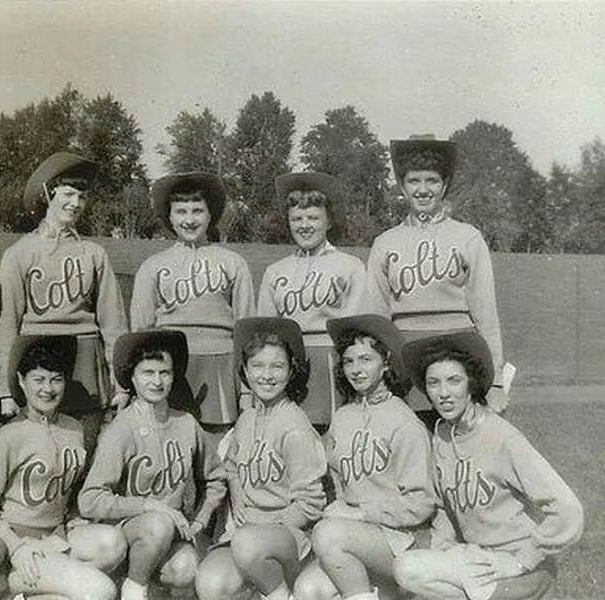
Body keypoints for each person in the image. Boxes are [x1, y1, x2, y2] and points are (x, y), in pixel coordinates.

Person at [393, 331, 584, 600]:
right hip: (480, 559)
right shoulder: (443, 436)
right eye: (433, 383)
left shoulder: (503, 438)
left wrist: (521, 561)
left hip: (523, 566)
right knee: (409, 574)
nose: (444, 393)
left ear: (472, 384)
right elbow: (445, 508)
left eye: (454, 381)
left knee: (412, 574)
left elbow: (568, 510)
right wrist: (444, 549)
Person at [365, 134, 509, 425]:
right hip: (406, 358)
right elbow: (376, 320)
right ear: (403, 187)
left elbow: (486, 314)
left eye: (431, 181)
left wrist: (495, 382)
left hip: (459, 353)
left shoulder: (467, 237)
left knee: (460, 444)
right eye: (414, 181)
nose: (423, 190)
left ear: (444, 186)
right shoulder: (385, 243)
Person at [78, 329, 227, 600]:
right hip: (125, 533)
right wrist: (150, 505)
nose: (157, 382)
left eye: (164, 373)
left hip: (169, 534)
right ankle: (133, 589)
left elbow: (216, 478)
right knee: (158, 524)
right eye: (148, 373)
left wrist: (201, 520)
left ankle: (150, 587)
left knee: (186, 568)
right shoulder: (121, 429)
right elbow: (90, 500)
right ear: (132, 378)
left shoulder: (186, 423)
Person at [0, 337, 122, 600]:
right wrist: (15, 547)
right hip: (17, 547)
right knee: (102, 591)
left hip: (57, 537)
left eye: (56, 379)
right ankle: (14, 588)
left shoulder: (74, 428)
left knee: (114, 543)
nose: (48, 389)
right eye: (38, 379)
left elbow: (73, 486)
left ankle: (41, 593)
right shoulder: (7, 435)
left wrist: (73, 516)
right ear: (21, 381)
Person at [294, 315, 435, 600]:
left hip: (401, 540)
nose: (356, 370)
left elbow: (422, 504)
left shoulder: (404, 422)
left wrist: (361, 513)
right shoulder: (343, 417)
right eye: (348, 361)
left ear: (386, 364)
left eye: (366, 360)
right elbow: (334, 485)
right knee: (308, 590)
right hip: (353, 535)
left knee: (328, 535)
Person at [0, 151, 128, 439]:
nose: (75, 203)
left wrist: (121, 383)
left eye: (82, 196)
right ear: (48, 194)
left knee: (84, 450)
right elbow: (7, 325)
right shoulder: (19, 253)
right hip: (37, 362)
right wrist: (6, 390)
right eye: (68, 194)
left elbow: (113, 324)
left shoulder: (94, 253)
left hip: (86, 365)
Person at [195, 317, 327, 600]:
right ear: (244, 370)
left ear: (291, 371)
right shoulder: (246, 419)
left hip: (288, 535)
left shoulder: (294, 423)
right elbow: (231, 467)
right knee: (211, 584)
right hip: (247, 535)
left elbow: (311, 502)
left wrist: (266, 529)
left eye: (277, 366)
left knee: (246, 544)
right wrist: (237, 489)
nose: (266, 375)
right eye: (257, 366)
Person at [130, 171, 255, 433]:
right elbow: (140, 331)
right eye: (181, 211)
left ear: (211, 215)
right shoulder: (153, 266)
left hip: (219, 364)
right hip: (169, 366)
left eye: (197, 211)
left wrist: (246, 389)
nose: (189, 220)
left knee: (216, 442)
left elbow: (247, 331)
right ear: (170, 216)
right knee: (171, 438)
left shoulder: (232, 262)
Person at [257, 172, 366, 429]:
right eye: (297, 219)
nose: (305, 225)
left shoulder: (349, 266)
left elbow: (357, 329)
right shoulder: (276, 271)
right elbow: (263, 332)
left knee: (334, 433)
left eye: (313, 218)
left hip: (332, 362)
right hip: (287, 364)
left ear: (328, 222)